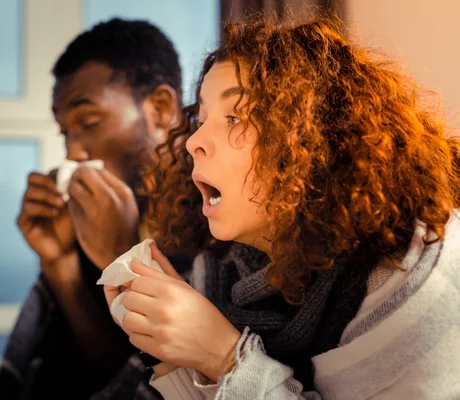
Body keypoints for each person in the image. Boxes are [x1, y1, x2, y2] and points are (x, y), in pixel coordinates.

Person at [104, 15, 460, 399]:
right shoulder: (217, 275)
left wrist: (226, 357)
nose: (193, 143)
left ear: (314, 140)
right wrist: (173, 350)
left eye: (235, 117)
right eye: (201, 119)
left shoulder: (417, 270)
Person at [0, 18, 188, 400]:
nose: (72, 152)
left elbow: (177, 389)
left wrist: (123, 257)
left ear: (161, 109)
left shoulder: (222, 223)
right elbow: (100, 377)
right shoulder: (87, 228)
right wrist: (60, 265)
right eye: (65, 131)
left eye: (89, 122)